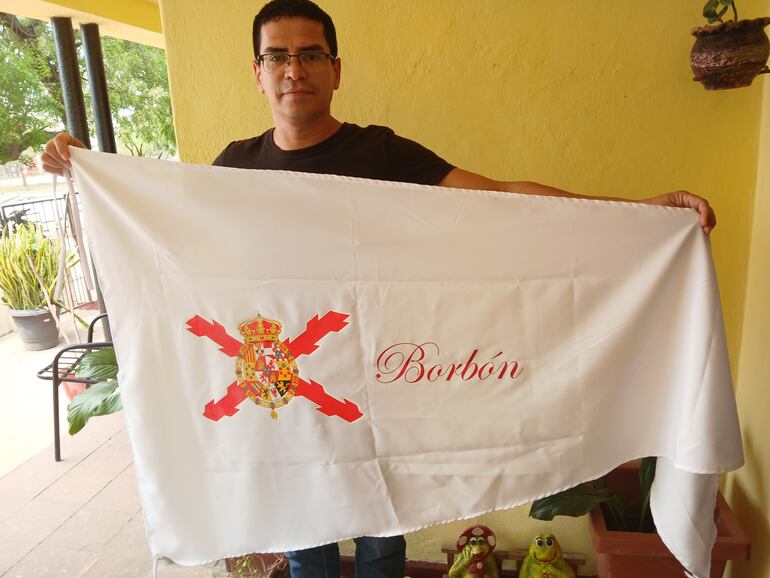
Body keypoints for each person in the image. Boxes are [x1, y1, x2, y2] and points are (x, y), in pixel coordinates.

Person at [40, 1, 717, 576]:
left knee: (382, 534)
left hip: (380, 392)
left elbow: (508, 203)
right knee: (303, 542)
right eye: (277, 56)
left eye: (310, 55)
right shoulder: (233, 172)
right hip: (287, 396)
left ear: (335, 68)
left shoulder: (382, 155)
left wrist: (641, 212)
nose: (293, 70)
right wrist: (85, 170)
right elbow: (166, 249)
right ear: (257, 73)